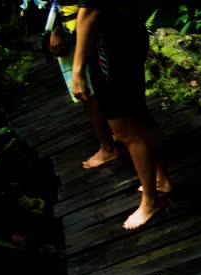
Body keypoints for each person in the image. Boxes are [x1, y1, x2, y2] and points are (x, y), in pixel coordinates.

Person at [72, 1, 171, 229]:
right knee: (139, 113)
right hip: (128, 31)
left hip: (111, 46)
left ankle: (150, 202)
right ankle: (161, 179)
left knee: (125, 132)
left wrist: (77, 71)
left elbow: (90, 10)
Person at [46, 1, 120, 169]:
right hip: (73, 23)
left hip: (79, 27)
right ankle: (114, 135)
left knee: (87, 90)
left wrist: (56, 29)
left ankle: (108, 146)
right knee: (92, 88)